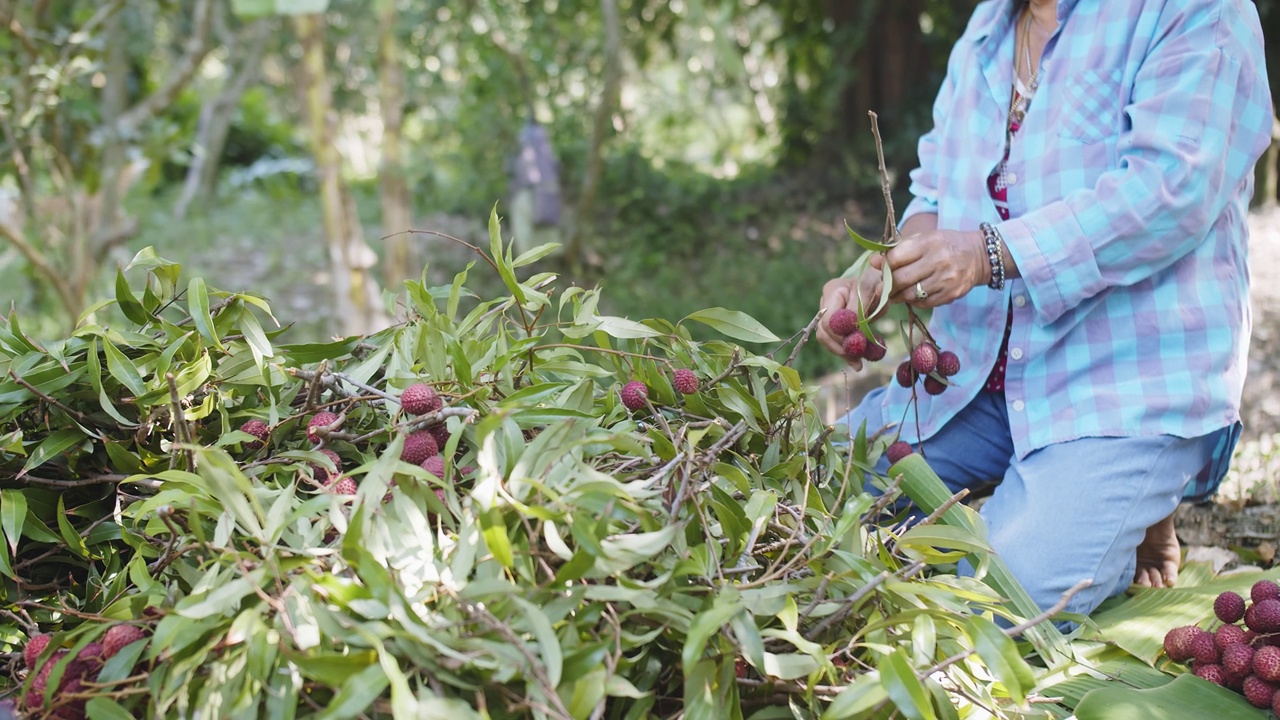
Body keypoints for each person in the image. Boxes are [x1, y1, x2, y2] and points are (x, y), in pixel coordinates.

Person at [819, 0, 1273, 620]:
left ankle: (1121, 494)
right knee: (813, 485)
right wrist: (878, 275)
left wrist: (987, 255)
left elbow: (1170, 191)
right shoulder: (987, 30)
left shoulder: (1195, 10)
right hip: (981, 383)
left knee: (1001, 600)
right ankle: (1109, 502)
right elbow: (934, 191)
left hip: (1117, 388)